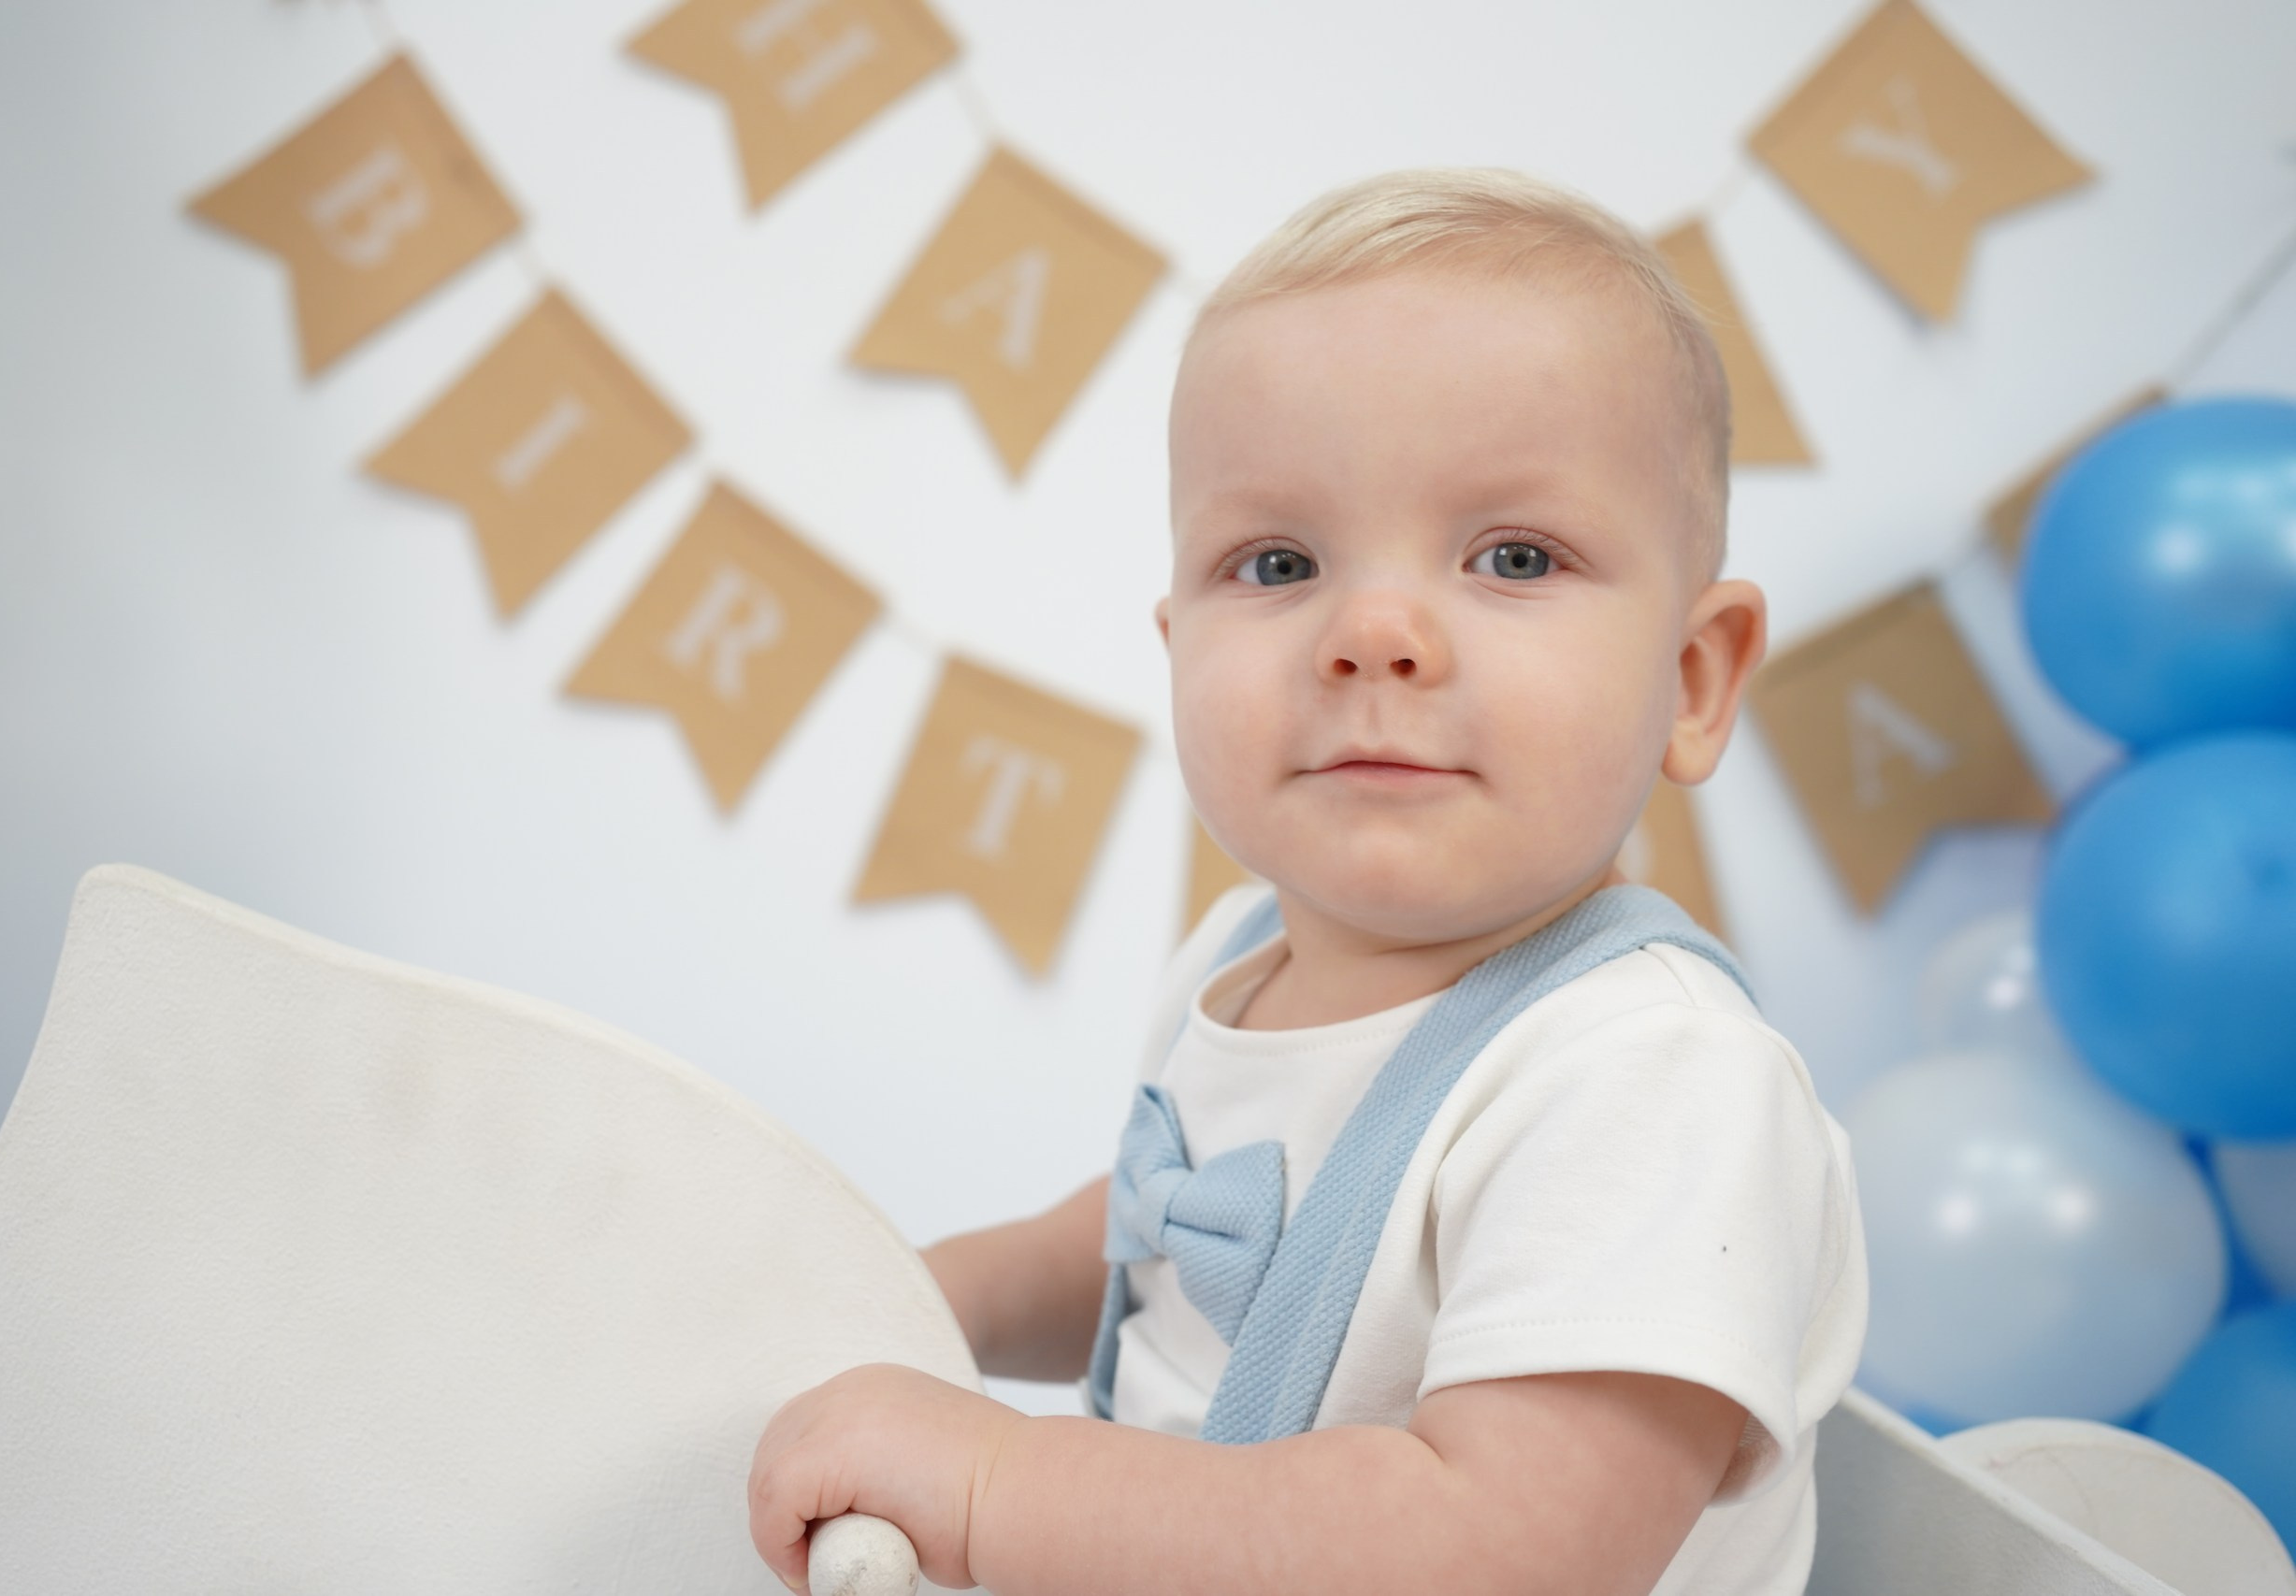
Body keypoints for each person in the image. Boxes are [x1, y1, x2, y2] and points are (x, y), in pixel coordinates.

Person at [746, 167, 1866, 1596]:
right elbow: (1151, 1232)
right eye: (1277, 562)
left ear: (1692, 679)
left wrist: (992, 1481)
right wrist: (912, 1302)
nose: (1374, 631)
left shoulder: (1653, 1081)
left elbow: (1492, 1550)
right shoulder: (1241, 950)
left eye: (1512, 556)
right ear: (1175, 647)